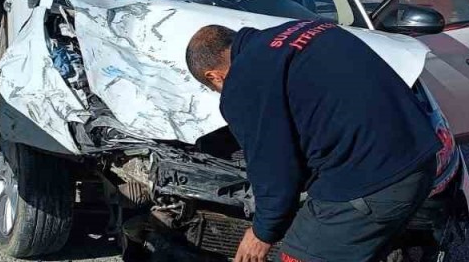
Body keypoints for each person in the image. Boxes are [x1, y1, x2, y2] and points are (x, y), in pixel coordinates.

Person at [185, 22, 440, 262]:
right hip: (421, 157)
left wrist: (261, 233)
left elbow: (275, 172)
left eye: (214, 88)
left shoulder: (242, 83)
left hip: (370, 183)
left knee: (299, 254)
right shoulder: (308, 29)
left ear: (214, 76)